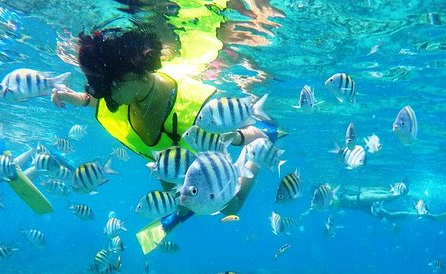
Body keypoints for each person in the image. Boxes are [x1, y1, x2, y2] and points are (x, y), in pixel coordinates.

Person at [51, 16, 280, 253]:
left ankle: (262, 144)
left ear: (129, 77)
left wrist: (241, 139)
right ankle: (181, 208)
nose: (106, 99)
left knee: (229, 208)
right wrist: (72, 97)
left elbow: (224, 133)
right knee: (171, 186)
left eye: (107, 88)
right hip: (167, 158)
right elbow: (97, 100)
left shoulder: (189, 106)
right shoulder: (129, 91)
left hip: (197, 153)